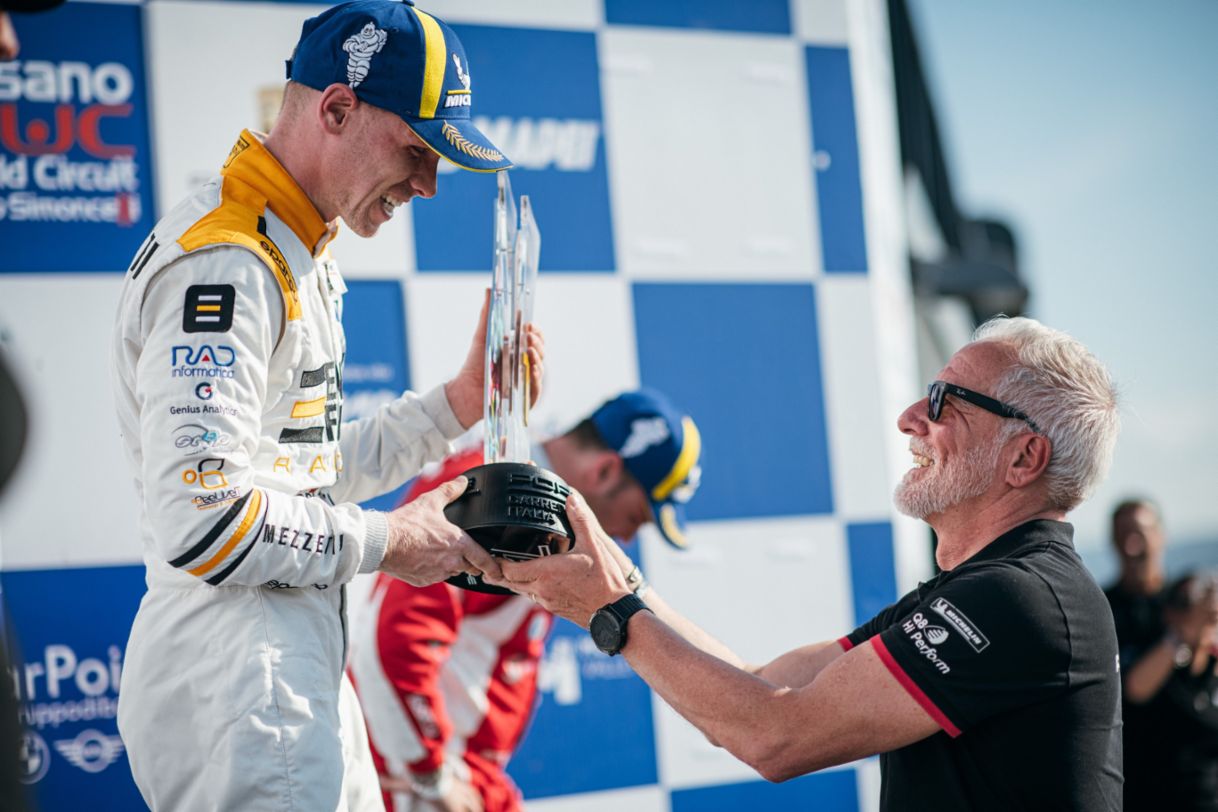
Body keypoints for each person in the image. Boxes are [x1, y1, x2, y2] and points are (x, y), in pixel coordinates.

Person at [110, 2, 539, 809]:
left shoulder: (293, 243)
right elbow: (203, 521)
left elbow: (299, 476)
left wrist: (459, 402)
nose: (427, 185)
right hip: (242, 680)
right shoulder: (230, 264)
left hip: (288, 662)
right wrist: (390, 540)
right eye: (417, 151)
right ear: (337, 109)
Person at [492, 316, 1124, 810]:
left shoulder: (1020, 596)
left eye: (944, 400)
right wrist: (613, 575)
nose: (910, 418)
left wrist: (611, 608)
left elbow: (775, 736)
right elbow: (759, 682)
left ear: (1024, 459)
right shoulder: (990, 585)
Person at [348, 390, 702, 811]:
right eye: (636, 517)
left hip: (451, 774)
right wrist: (431, 775)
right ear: (605, 471)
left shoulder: (518, 491)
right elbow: (393, 640)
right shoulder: (498, 496)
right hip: (420, 786)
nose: (625, 537)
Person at [1106, 500, 1218, 810]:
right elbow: (1133, 689)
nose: (1131, 545)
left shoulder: (1183, 601)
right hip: (1136, 786)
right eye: (1122, 535)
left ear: (1161, 536)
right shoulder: (1101, 610)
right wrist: (1180, 635)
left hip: (1199, 787)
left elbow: (1204, 677)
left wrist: (1204, 630)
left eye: (1139, 534)